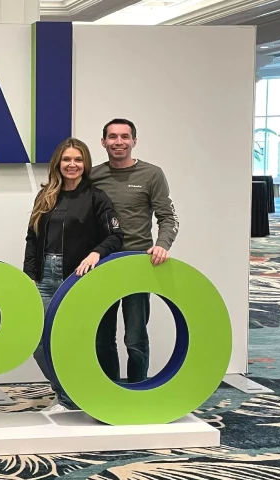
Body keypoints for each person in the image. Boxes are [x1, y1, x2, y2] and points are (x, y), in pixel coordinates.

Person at [24, 137, 124, 412]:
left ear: (85, 164)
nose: (72, 164)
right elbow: (32, 238)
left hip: (76, 278)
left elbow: (116, 235)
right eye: (67, 159)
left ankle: (76, 398)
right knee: (38, 341)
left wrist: (95, 253)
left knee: (74, 341)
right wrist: (29, 273)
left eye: (78, 160)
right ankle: (67, 394)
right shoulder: (46, 196)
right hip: (45, 277)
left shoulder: (96, 197)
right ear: (58, 162)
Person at [90, 118, 180, 385]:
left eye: (125, 137)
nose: (119, 142)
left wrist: (162, 244)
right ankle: (109, 390)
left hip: (137, 265)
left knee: (135, 337)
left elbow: (168, 217)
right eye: (113, 137)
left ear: (134, 141)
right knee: (102, 337)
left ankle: (138, 389)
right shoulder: (93, 176)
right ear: (103, 142)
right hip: (103, 265)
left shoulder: (152, 174)